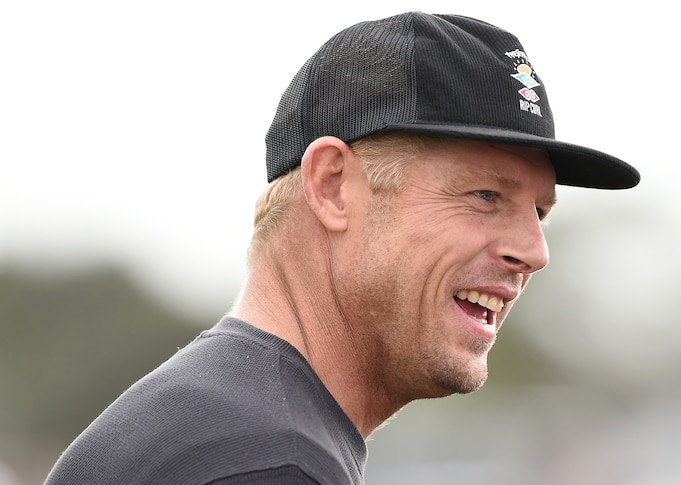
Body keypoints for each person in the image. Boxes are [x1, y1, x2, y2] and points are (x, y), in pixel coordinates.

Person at [46, 11, 639, 484]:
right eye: (486, 195)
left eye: (539, 213)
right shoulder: (265, 461)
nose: (534, 251)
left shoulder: (221, 420)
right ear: (332, 186)